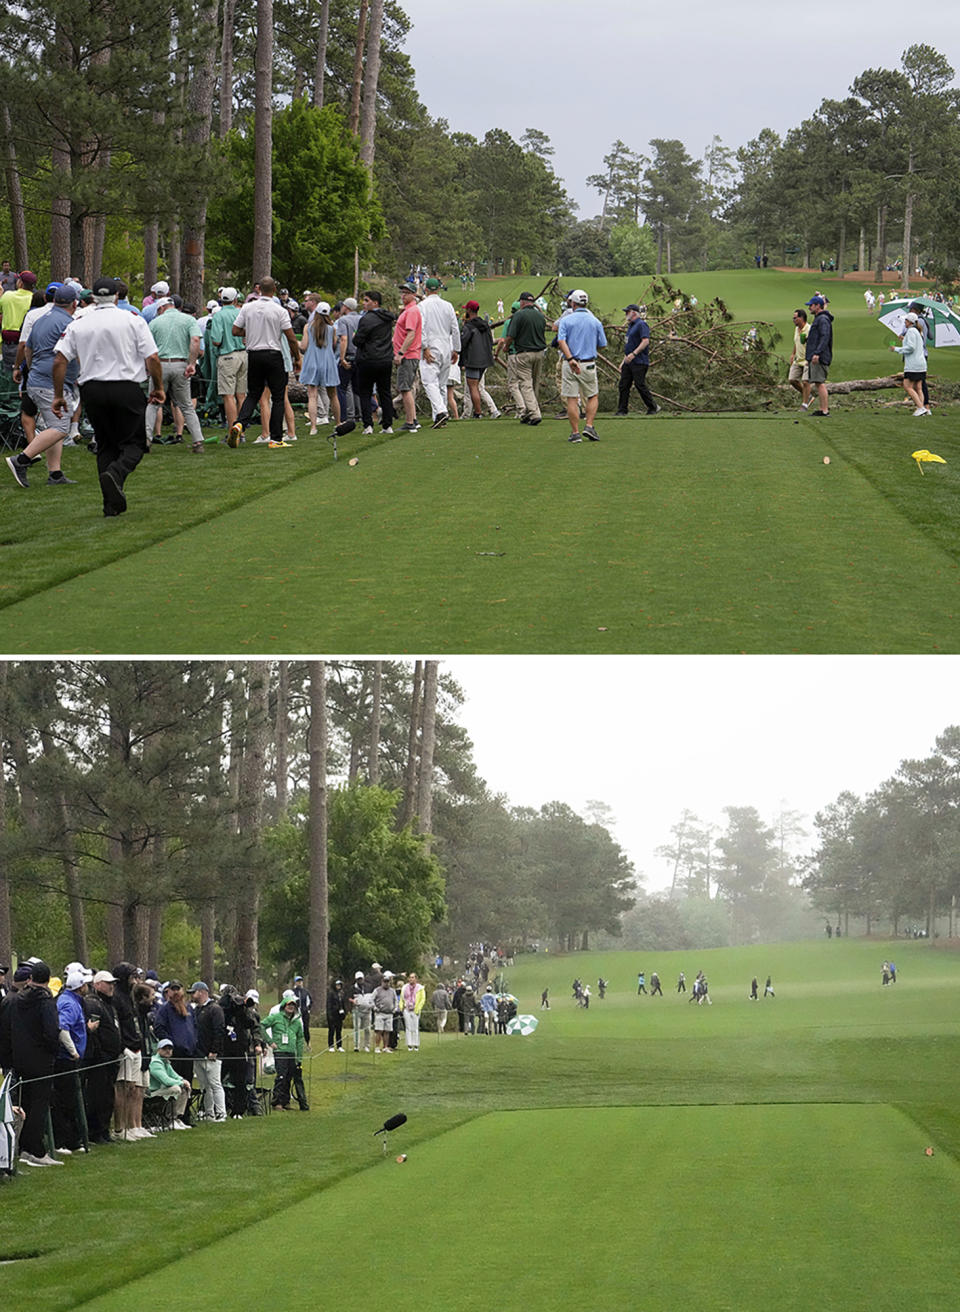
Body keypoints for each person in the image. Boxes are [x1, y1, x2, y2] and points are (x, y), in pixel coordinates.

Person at [48, 277, 164, 516]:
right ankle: (117, 474)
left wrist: (58, 395)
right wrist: (158, 387)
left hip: (93, 389)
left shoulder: (80, 322)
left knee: (106, 444)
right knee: (135, 443)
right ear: (117, 297)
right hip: (126, 386)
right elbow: (152, 358)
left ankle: (110, 504)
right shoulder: (132, 320)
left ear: (92, 298)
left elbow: (59, 360)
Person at [6, 285, 82, 489]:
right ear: (74, 304)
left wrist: (33, 370)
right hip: (52, 383)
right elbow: (75, 353)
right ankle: (21, 460)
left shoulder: (40, 320)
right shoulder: (69, 323)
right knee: (61, 428)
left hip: (36, 380)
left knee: (54, 425)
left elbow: (28, 349)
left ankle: (55, 473)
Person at [227, 276, 301, 448]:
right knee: (278, 397)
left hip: (254, 355)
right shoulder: (279, 310)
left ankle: (239, 423)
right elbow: (290, 337)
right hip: (273, 354)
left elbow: (235, 330)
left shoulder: (247, 307)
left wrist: (250, 333)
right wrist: (297, 358)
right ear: (274, 290)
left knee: (253, 393)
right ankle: (276, 439)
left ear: (259, 289)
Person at [0, 960, 62, 1165]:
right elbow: (52, 1031)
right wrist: (53, 1051)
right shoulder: (45, 1000)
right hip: (41, 1059)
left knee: (26, 1103)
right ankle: (35, 1150)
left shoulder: (17, 999)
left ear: (31, 978)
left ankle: (25, 1148)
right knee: (39, 1105)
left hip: (20, 1058)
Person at [144, 296, 206, 452]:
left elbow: (148, 349)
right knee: (186, 406)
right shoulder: (188, 320)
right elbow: (195, 341)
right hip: (181, 364)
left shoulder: (154, 322)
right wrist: (192, 363)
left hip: (160, 365)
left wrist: (147, 369)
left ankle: (146, 439)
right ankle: (198, 441)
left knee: (153, 403)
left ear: (161, 308)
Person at [557, 289, 607, 442]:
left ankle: (575, 433)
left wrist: (570, 357)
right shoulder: (595, 321)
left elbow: (561, 341)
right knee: (592, 395)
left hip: (569, 364)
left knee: (572, 398)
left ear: (573, 303)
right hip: (588, 363)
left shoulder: (566, 320)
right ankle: (589, 426)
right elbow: (603, 344)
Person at [83, 970, 121, 1144]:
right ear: (97, 984)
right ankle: (95, 1131)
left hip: (112, 1058)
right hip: (100, 1058)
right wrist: (101, 1054)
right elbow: (94, 1033)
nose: (111, 986)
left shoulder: (109, 1004)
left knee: (108, 1096)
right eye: (107, 983)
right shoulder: (93, 1003)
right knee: (97, 1096)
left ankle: (104, 1130)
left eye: (112, 982)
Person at [417, 277, 461, 429]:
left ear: (426, 290)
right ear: (438, 289)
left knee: (429, 382)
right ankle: (439, 417)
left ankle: (441, 411)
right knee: (441, 384)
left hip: (432, 345)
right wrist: (456, 349)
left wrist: (425, 347)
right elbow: (455, 329)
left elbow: (421, 328)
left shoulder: (422, 306)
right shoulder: (448, 306)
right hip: (446, 346)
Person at [351, 290, 396, 436]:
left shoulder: (366, 319)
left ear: (375, 302)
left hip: (368, 359)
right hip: (385, 358)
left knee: (365, 393)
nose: (363, 303)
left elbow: (358, 341)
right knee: (385, 392)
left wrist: (355, 336)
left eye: (366, 300)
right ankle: (387, 425)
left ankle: (368, 425)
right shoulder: (388, 318)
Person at [499, 291, 547, 424]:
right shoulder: (540, 315)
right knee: (535, 383)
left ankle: (534, 413)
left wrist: (506, 347)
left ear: (522, 302)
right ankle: (530, 411)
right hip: (540, 352)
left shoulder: (519, 315)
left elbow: (511, 336)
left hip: (524, 353)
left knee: (525, 384)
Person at [208, 287, 247, 434]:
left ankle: (233, 432)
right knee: (241, 395)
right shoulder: (240, 313)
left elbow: (217, 341)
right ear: (235, 299)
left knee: (228, 396)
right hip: (243, 355)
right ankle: (241, 431)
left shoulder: (218, 316)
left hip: (228, 356)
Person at [260, 994, 308, 1109]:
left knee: (289, 1077)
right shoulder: (276, 1017)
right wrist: (269, 1041)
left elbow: (300, 1040)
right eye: (289, 1005)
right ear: (284, 1005)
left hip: (292, 1053)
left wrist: (299, 1058)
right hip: (280, 1051)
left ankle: (285, 1102)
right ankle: (277, 1102)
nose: (291, 1007)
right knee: (281, 1076)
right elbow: (261, 1026)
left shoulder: (297, 1022)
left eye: (293, 1005)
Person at [300, 301, 341, 435]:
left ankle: (313, 427)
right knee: (333, 395)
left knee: (312, 395)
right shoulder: (332, 328)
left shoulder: (308, 327)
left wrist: (296, 344)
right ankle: (338, 423)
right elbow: (334, 344)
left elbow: (304, 347)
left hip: (312, 362)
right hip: (328, 363)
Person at [190, 981, 227, 1123]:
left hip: (212, 1054)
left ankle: (221, 1113)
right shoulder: (197, 1010)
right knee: (205, 1086)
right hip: (199, 1053)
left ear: (202, 992)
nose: (192, 995)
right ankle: (209, 1113)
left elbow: (219, 1031)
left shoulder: (214, 1009)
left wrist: (214, 1050)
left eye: (194, 992)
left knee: (215, 1083)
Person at [616, 304, 660, 416]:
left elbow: (645, 341)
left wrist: (634, 354)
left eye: (627, 312)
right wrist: (623, 361)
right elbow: (629, 345)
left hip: (639, 361)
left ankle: (652, 407)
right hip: (629, 361)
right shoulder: (631, 326)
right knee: (623, 385)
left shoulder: (641, 325)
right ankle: (622, 410)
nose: (626, 314)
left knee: (640, 384)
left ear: (634, 313)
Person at [459, 301, 496, 420]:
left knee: (473, 387)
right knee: (477, 386)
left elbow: (463, 342)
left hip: (473, 359)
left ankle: (478, 412)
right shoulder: (485, 325)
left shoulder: (469, 326)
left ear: (469, 310)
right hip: (485, 359)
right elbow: (490, 341)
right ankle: (479, 411)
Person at [393, 283, 423, 433]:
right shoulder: (408, 310)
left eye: (406, 293)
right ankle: (413, 420)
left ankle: (410, 422)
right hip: (409, 354)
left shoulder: (411, 311)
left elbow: (410, 334)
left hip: (408, 355)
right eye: (402, 292)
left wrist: (400, 353)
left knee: (405, 389)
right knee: (406, 388)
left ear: (413, 295)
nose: (403, 295)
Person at [890, 311, 929, 416]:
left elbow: (911, 347)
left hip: (913, 365)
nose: (904, 322)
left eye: (906, 320)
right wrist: (904, 339)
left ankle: (920, 408)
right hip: (921, 364)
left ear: (910, 322)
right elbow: (914, 344)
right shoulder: (917, 331)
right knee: (918, 387)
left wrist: (897, 349)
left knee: (907, 386)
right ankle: (924, 408)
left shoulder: (911, 331)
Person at [148, 1038, 192, 1128]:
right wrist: (181, 1082)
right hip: (151, 1092)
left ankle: (176, 1117)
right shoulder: (155, 1062)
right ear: (158, 1049)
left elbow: (174, 1075)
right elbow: (166, 1081)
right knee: (176, 1088)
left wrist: (183, 1081)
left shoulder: (166, 1061)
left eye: (170, 1049)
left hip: (161, 1090)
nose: (168, 1051)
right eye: (165, 1049)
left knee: (184, 1087)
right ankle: (170, 1119)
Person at [804, 295, 833, 416]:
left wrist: (817, 353)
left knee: (820, 383)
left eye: (811, 305)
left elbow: (824, 336)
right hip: (815, 355)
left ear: (818, 306)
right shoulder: (818, 319)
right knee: (817, 382)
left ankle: (824, 410)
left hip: (820, 356)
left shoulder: (822, 320)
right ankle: (822, 409)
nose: (809, 307)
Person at [788, 308, 811, 409]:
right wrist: (793, 354)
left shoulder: (809, 329)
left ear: (801, 318)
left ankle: (805, 404)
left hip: (807, 360)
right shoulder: (796, 329)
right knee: (792, 379)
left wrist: (809, 359)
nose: (793, 320)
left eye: (795, 318)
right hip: (798, 359)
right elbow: (796, 342)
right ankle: (808, 396)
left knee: (806, 381)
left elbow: (813, 345)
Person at [372, 975, 397, 1053]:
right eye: (385, 982)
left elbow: (395, 1001)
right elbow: (371, 1000)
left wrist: (395, 1008)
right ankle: (377, 1047)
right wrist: (375, 1008)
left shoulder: (392, 991)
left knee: (387, 1031)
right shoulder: (377, 990)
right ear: (382, 982)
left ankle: (385, 1047)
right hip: (380, 1013)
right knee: (379, 1030)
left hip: (389, 1013)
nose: (386, 983)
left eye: (387, 982)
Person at [401, 972, 426, 1050]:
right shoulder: (405, 987)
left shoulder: (420, 988)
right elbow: (402, 998)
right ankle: (409, 1044)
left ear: (416, 979)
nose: (411, 979)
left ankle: (416, 1044)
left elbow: (422, 999)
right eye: (410, 977)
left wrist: (418, 1007)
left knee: (415, 1027)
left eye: (413, 977)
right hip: (407, 1009)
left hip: (415, 1009)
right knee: (408, 1027)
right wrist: (402, 1006)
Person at [326, 978, 346, 1052]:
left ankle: (339, 1046)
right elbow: (329, 1005)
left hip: (339, 1015)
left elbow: (343, 1004)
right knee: (331, 1030)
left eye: (339, 985)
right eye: (337, 985)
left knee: (339, 1031)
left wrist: (344, 1013)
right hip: (333, 1014)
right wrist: (329, 1015)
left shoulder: (342, 993)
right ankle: (331, 1046)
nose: (338, 986)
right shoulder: (331, 993)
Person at [292, 975, 312, 1047]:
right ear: (295, 982)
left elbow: (310, 1001)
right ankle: (296, 1043)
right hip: (295, 1012)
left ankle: (308, 1043)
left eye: (300, 981)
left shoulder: (305, 992)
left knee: (306, 1028)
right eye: (298, 981)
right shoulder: (293, 992)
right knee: (296, 1027)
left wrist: (308, 1009)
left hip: (305, 1012)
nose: (299, 983)